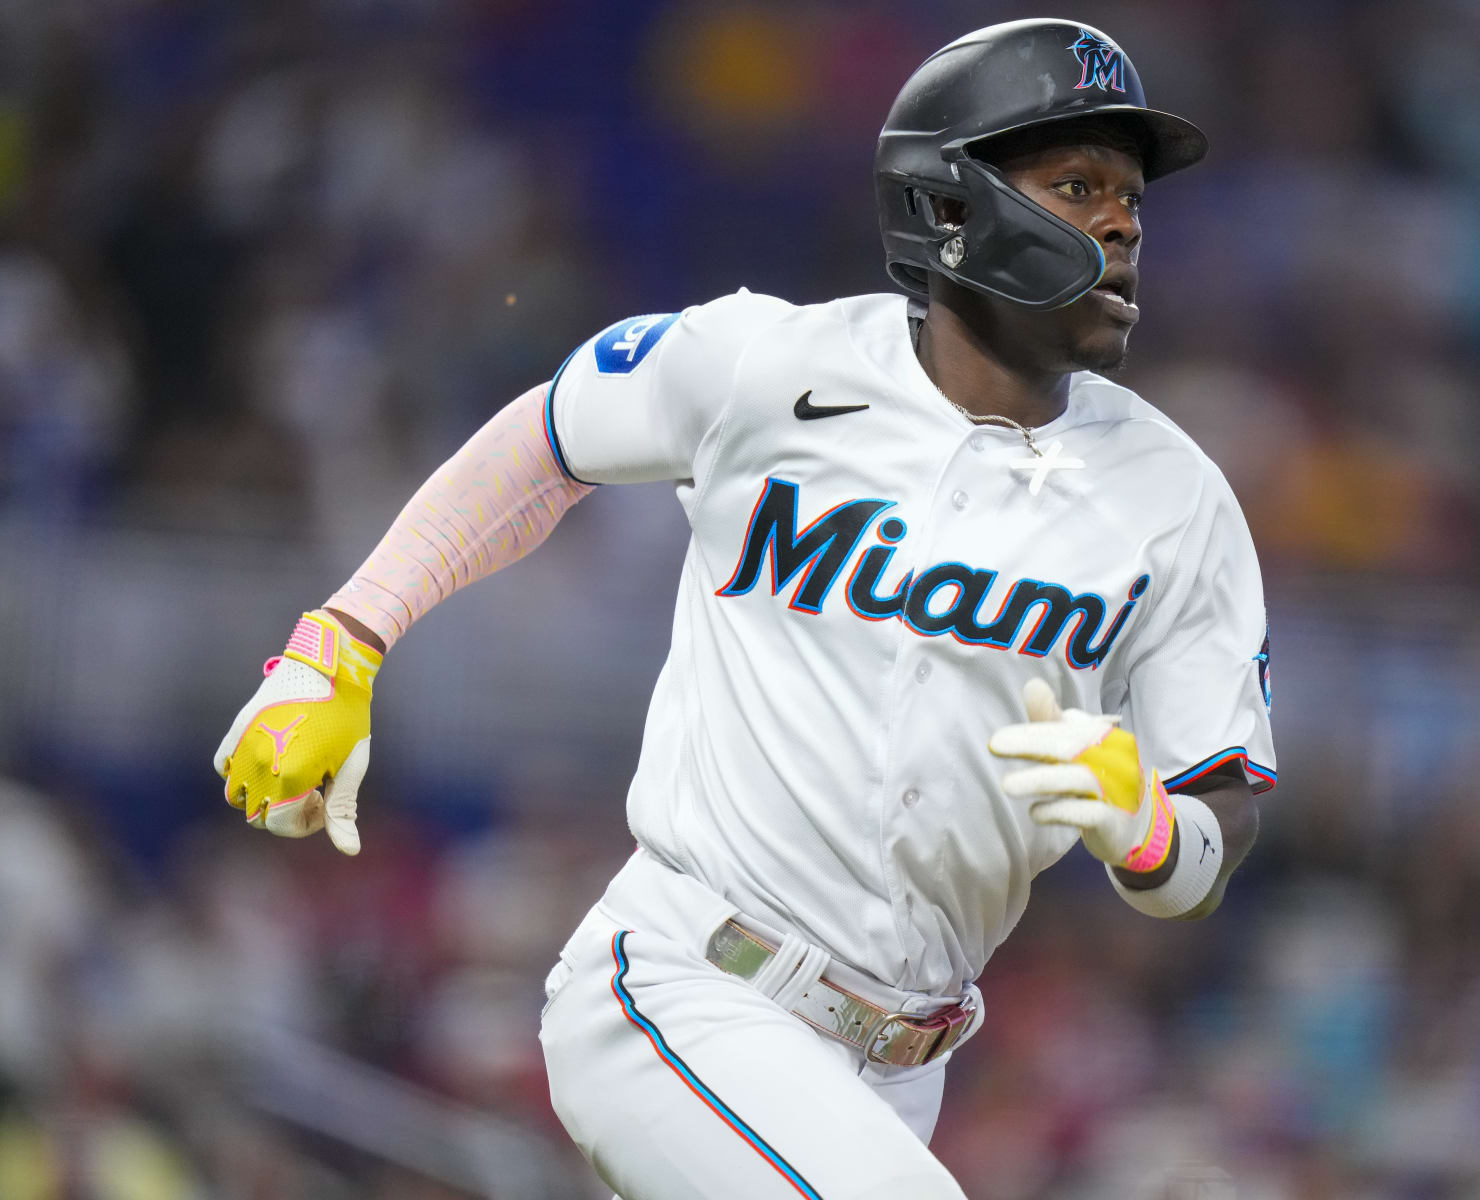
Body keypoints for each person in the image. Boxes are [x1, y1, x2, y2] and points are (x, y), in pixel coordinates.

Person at [214, 19, 1276, 1199]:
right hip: (687, 986)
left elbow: (1211, 831)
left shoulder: (1177, 500)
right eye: (1077, 185)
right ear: (951, 204)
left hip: (899, 1069)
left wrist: (1151, 833)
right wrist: (343, 640)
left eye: (1131, 197)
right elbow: (549, 437)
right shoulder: (766, 367)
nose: (1123, 222)